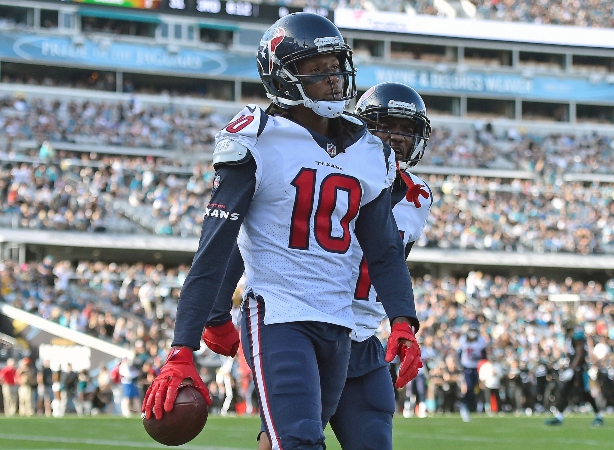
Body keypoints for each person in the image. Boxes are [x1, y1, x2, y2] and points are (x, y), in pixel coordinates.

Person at [142, 13, 421, 450]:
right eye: (315, 69)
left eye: (335, 65)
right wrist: (184, 343)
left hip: (338, 323)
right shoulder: (257, 136)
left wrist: (403, 320)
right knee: (298, 442)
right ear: (283, 76)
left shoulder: (370, 151)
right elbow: (215, 246)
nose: (332, 78)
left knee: (289, 442)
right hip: (278, 313)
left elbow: (383, 249)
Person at [328, 82, 433, 449]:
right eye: (387, 125)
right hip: (312, 327)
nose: (397, 137)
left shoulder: (418, 196)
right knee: (289, 439)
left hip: (364, 336)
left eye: (407, 130)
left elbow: (390, 264)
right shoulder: (332, 173)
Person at [546, 319, 604, 426]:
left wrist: (571, 369)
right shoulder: (569, 337)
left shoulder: (577, 336)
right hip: (573, 369)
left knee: (585, 394)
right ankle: (559, 416)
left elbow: (580, 354)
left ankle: (599, 416)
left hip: (579, 370)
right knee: (563, 391)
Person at [457, 323, 487, 422]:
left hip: (477, 367)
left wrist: (481, 359)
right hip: (466, 367)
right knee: (468, 387)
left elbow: (484, 354)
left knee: (476, 388)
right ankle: (464, 406)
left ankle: (470, 407)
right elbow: (459, 353)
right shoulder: (463, 340)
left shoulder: (480, 341)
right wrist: (459, 365)